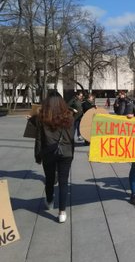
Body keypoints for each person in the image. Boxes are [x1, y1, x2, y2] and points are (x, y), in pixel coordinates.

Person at [34, 91, 74, 223]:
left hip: (48, 152)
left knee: (50, 179)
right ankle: (62, 212)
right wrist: (71, 152)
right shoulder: (69, 116)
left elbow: (39, 139)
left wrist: (38, 155)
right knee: (63, 182)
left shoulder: (42, 117)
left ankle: (50, 200)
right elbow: (71, 137)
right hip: (66, 152)